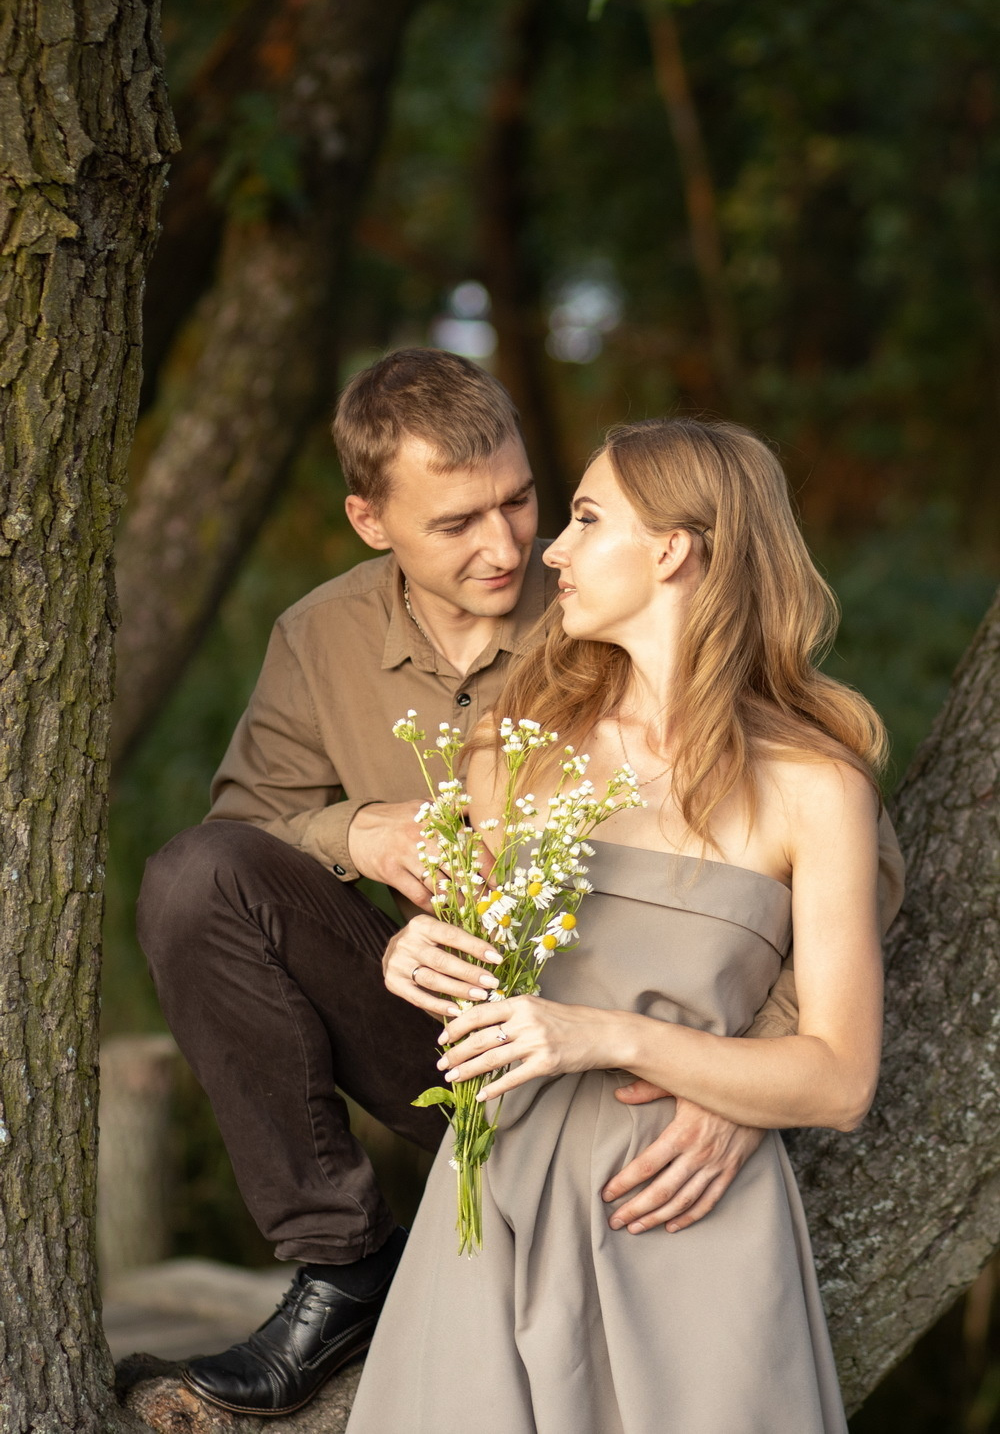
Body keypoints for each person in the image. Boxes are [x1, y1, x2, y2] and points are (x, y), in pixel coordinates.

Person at [137, 352, 898, 1418]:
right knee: (196, 878)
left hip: (658, 1120)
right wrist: (372, 866)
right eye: (458, 523)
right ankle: (343, 1263)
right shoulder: (384, 672)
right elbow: (266, 849)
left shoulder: (775, 757)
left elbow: (843, 992)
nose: (521, 549)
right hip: (478, 1081)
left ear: (670, 551)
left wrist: (738, 1074)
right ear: (370, 521)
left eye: (538, 505)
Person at [347, 416, 901, 1434]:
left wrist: (608, 1037)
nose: (549, 550)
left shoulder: (816, 787)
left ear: (673, 549)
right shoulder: (513, 749)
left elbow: (839, 1079)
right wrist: (413, 947)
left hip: (681, 1210)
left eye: (586, 518)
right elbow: (484, 971)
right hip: (496, 1190)